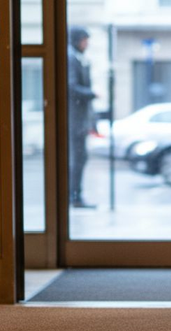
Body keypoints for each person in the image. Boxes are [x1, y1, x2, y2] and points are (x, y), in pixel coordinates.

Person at [68, 25, 96, 209]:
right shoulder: (71, 58)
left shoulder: (76, 57)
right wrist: (92, 93)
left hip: (77, 120)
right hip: (74, 120)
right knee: (78, 158)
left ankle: (75, 195)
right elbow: (71, 87)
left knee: (80, 158)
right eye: (85, 40)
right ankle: (74, 196)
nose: (87, 44)